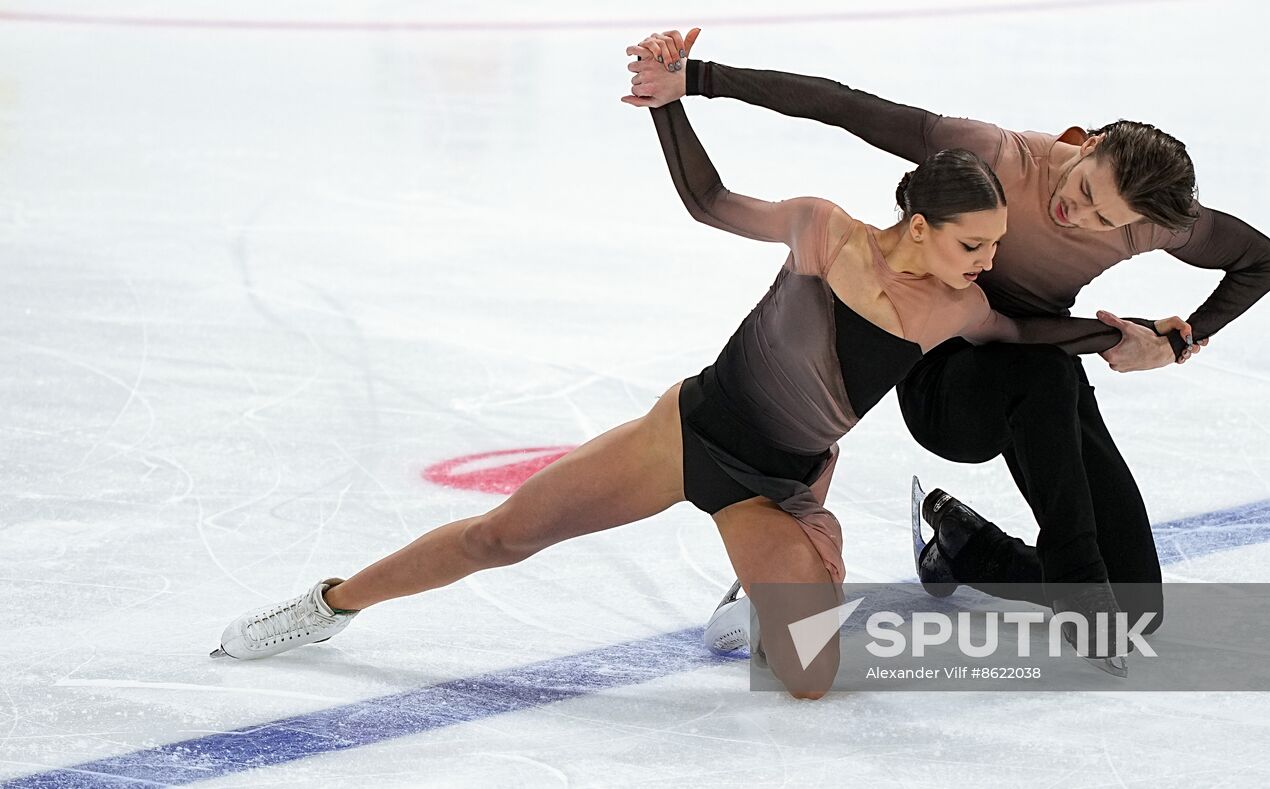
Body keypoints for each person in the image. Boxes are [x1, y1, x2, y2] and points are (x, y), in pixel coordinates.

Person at [211, 46, 1153, 699]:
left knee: (811, 680)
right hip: (688, 434)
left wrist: (1129, 335)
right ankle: (328, 603)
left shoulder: (964, 307)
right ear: (920, 225)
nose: (991, 261)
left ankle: (785, 565)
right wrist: (672, 105)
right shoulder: (822, 231)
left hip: (774, 492)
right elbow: (708, 201)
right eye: (975, 243)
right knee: (501, 536)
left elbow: (1034, 338)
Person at [628, 30, 1270, 651]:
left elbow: (1263, 261)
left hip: (1038, 378)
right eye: (1084, 190)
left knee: (1140, 606)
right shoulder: (995, 154)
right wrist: (699, 80)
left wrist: (1175, 341)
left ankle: (973, 552)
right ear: (1084, 142)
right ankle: (1077, 595)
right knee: (1048, 375)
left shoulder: (1149, 221)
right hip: (944, 384)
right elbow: (845, 108)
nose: (1078, 214)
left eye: (1103, 220)